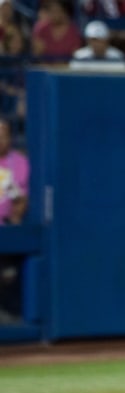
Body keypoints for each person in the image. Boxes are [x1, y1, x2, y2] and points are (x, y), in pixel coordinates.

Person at [0, 117, 29, 324]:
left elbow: (21, 199)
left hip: (7, 231)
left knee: (9, 276)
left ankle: (11, 317)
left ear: (10, 137)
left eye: (3, 134)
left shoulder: (18, 162)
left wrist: (16, 217)